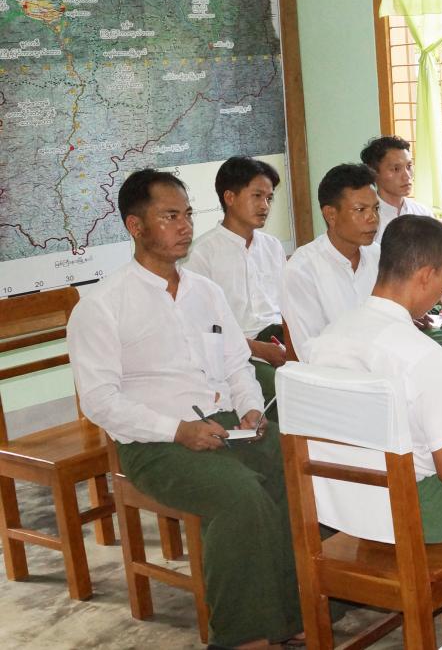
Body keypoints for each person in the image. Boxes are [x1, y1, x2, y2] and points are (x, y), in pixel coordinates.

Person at [68, 170, 301, 649]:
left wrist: (252, 410)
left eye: (188, 214)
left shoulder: (205, 292)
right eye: (170, 216)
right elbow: (100, 402)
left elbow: (236, 365)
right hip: (155, 444)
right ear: (135, 226)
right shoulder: (103, 305)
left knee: (300, 468)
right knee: (240, 496)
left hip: (227, 426)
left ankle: (293, 612)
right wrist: (177, 431)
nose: (185, 226)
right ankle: (241, 636)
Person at [308, 214, 442, 543]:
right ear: (426, 276)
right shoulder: (422, 354)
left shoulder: (329, 336)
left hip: (345, 507)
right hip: (417, 511)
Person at [183, 156, 288, 409]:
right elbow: (202, 330)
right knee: (288, 394)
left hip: (279, 340)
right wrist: (258, 349)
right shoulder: (201, 253)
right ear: (229, 197)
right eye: (257, 196)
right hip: (239, 353)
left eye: (269, 198)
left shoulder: (272, 246)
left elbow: (287, 306)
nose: (265, 205)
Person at [280, 163, 380, 353]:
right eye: (361, 210)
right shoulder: (302, 270)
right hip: (333, 369)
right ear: (331, 215)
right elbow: (310, 349)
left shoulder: (379, 256)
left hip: (382, 361)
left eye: (376, 208)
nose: (373, 218)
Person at [361, 135, 432, 239]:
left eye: (409, 166)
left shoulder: (423, 214)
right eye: (396, 169)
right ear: (374, 172)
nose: (407, 176)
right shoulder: (366, 218)